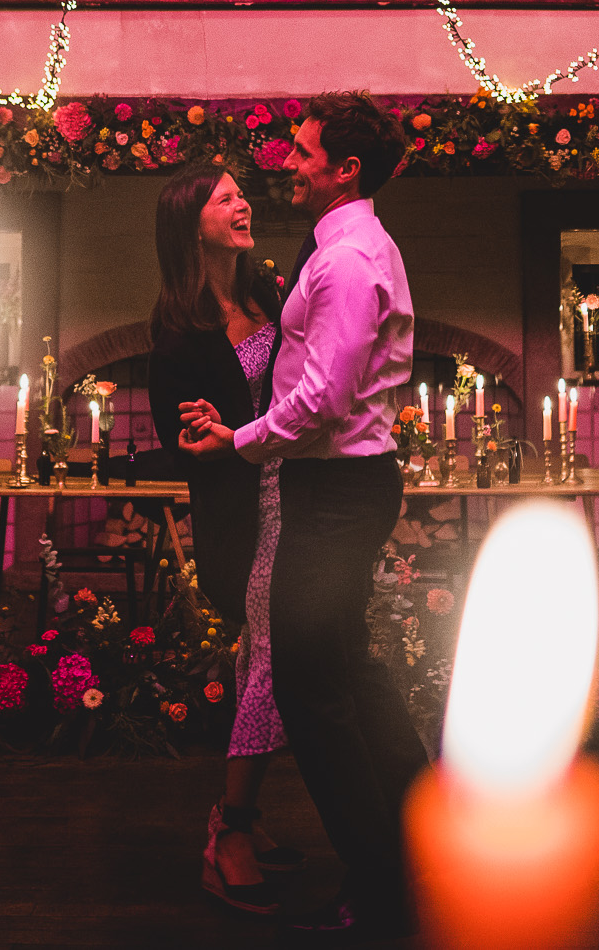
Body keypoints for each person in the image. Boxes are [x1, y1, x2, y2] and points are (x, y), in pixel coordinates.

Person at [180, 92, 427, 936]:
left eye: (303, 149)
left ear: (344, 169)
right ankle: (414, 840)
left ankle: (381, 878)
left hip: (333, 492)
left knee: (311, 689)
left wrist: (239, 443)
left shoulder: (348, 261)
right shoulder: (338, 249)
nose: (288, 160)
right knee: (346, 671)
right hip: (335, 488)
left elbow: (322, 397)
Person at [147, 167, 302, 914]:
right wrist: (201, 426)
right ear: (192, 223)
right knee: (269, 651)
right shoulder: (177, 327)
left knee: (262, 654)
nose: (243, 203)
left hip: (297, 494)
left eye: (243, 192)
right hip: (243, 511)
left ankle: (245, 811)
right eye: (225, 197)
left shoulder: (269, 292)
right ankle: (229, 830)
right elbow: (176, 442)